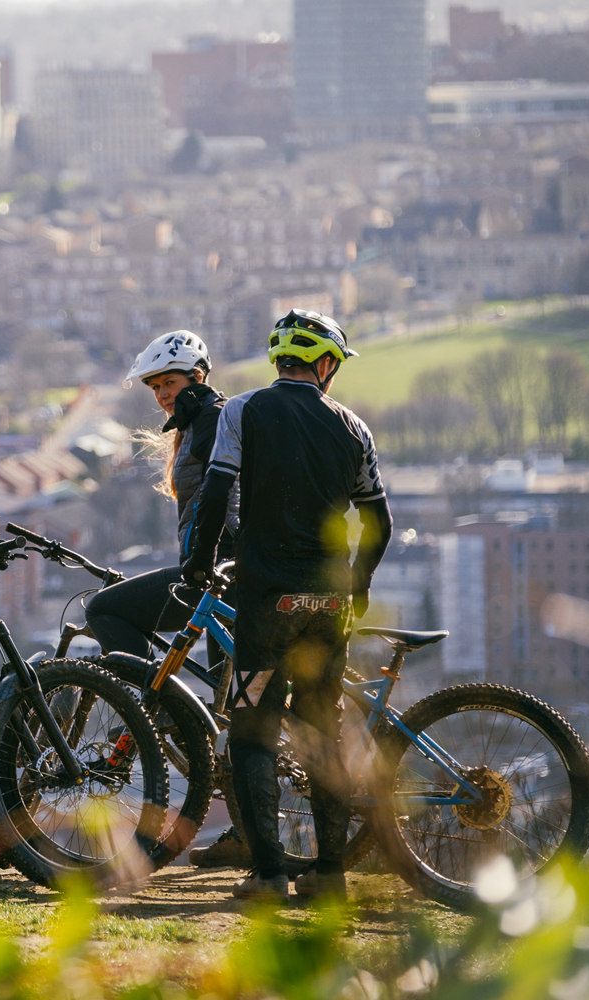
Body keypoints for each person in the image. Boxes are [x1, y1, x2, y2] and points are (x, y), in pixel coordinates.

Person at [185, 309, 392, 903]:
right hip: (327, 603)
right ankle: (331, 877)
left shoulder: (241, 411)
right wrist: (357, 584)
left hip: (266, 600)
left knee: (253, 729)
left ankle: (270, 875)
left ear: (282, 360)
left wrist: (200, 565)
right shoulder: (353, 427)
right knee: (323, 731)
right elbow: (378, 521)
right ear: (324, 364)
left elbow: (215, 494)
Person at [83, 330, 248, 868]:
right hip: (227, 576)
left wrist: (211, 561)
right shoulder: (205, 422)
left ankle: (150, 708)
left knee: (105, 609)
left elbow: (227, 499)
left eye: (169, 383)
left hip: (213, 577)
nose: (161, 395)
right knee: (234, 708)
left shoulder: (210, 421)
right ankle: (246, 830)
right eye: (154, 387)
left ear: (198, 375)